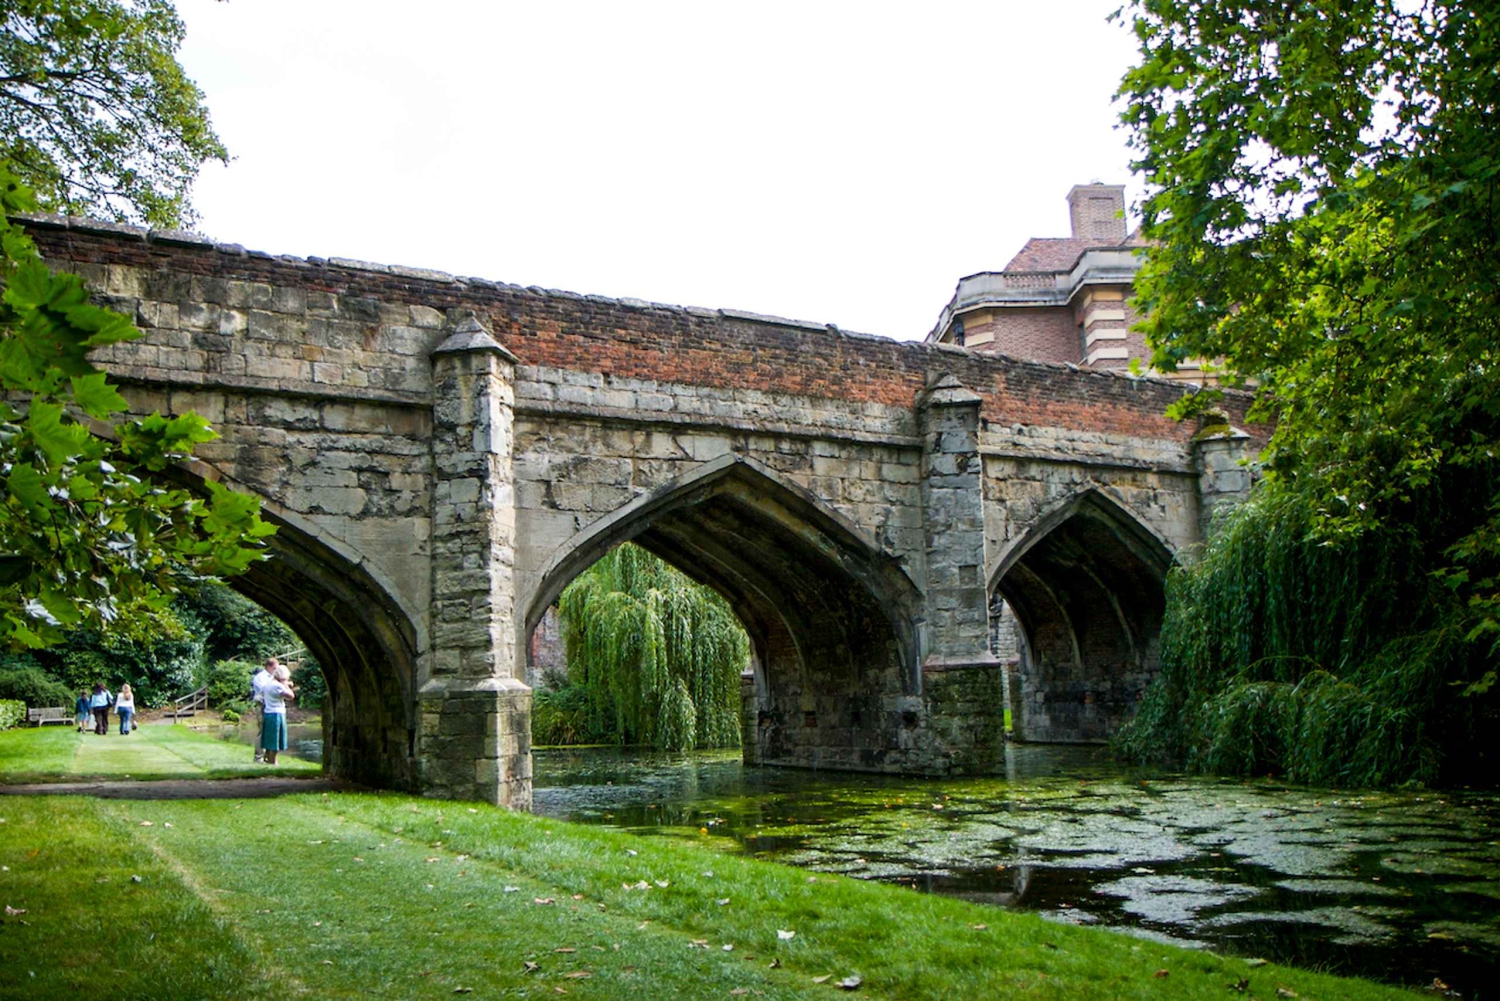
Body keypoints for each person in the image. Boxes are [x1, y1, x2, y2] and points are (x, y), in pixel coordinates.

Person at [260, 664, 295, 765]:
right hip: (277, 714)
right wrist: (286, 685)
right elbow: (291, 696)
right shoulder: (278, 686)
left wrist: (285, 684)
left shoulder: (268, 684)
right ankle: (273, 761)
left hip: (268, 713)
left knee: (269, 738)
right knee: (276, 740)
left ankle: (267, 757)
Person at [250, 657, 278, 763]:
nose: (276, 670)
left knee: (270, 731)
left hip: (271, 706)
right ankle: (258, 756)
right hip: (262, 705)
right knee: (262, 730)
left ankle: (268, 756)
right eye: (274, 668)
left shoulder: (273, 677)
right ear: (268, 666)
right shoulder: (260, 677)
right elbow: (266, 689)